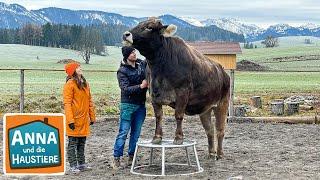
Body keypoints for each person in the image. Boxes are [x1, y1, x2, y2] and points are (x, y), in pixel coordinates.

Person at [113, 47, 148, 169]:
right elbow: (125, 89)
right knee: (123, 132)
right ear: (127, 55)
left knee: (136, 133)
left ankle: (131, 157)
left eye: (134, 52)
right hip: (127, 105)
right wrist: (141, 86)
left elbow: (149, 58)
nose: (134, 54)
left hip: (140, 106)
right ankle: (116, 158)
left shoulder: (141, 65)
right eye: (132, 52)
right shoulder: (122, 71)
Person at [63, 62, 96, 174]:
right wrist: (70, 120)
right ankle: (73, 165)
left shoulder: (85, 84)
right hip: (75, 119)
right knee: (72, 143)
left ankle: (81, 164)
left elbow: (89, 101)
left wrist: (92, 116)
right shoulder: (70, 84)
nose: (80, 68)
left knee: (82, 143)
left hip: (84, 119)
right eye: (77, 67)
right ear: (72, 71)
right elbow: (67, 103)